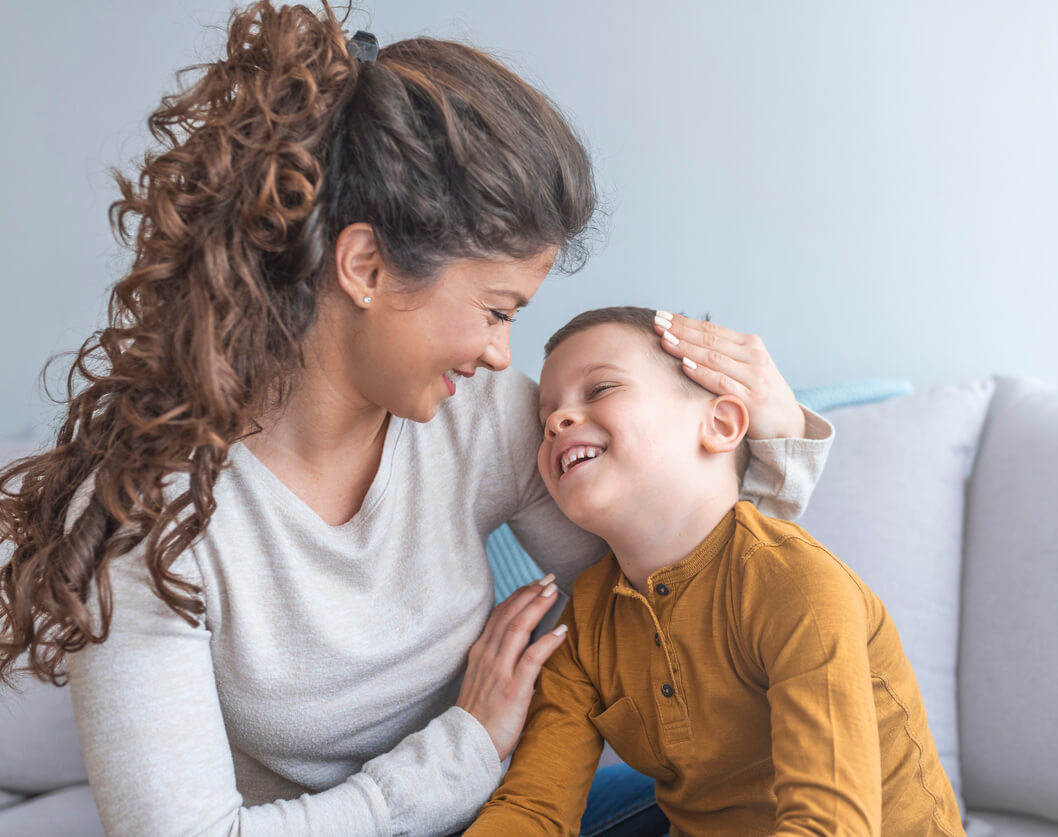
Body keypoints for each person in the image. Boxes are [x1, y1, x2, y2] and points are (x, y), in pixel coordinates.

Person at [0, 4, 834, 835]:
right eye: (497, 310)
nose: (503, 355)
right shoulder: (150, 518)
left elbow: (676, 610)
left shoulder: (482, 420)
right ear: (365, 266)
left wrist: (774, 453)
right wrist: (463, 748)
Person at [466, 306, 965, 837]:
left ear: (720, 425)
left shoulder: (794, 584)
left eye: (600, 389)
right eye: (546, 417)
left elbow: (829, 825)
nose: (557, 421)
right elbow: (534, 809)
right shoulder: (588, 622)